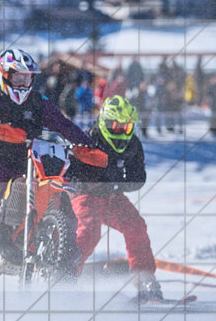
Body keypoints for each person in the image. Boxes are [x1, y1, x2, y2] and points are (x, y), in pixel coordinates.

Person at [0, 48, 94, 264]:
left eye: (27, 78)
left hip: (31, 159)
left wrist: (87, 143)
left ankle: (64, 245)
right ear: (4, 76)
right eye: (18, 77)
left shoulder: (38, 101)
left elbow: (63, 124)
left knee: (57, 189)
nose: (23, 83)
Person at [66, 95, 162, 303]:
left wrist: (114, 186)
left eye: (126, 128)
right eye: (117, 126)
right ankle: (66, 277)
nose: (121, 132)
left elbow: (138, 179)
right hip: (84, 194)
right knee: (90, 230)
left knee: (136, 226)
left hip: (111, 196)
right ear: (105, 123)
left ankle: (145, 279)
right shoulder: (88, 139)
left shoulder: (133, 145)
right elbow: (69, 172)